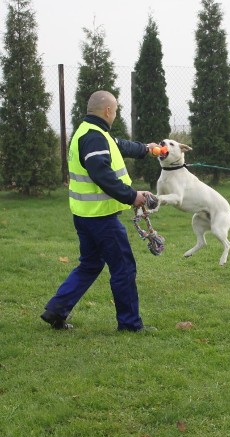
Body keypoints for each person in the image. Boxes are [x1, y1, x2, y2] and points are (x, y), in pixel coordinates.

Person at [41, 90, 160, 332]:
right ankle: (129, 325)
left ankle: (56, 310)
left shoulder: (89, 132)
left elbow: (120, 146)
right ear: (108, 111)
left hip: (85, 216)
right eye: (115, 110)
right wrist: (132, 196)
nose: (115, 115)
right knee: (123, 268)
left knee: (90, 265)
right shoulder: (94, 138)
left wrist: (146, 149)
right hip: (101, 219)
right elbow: (101, 174)